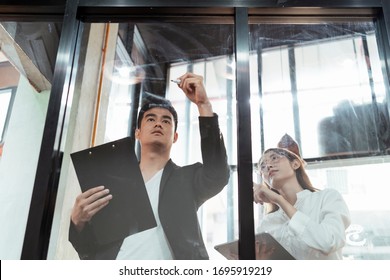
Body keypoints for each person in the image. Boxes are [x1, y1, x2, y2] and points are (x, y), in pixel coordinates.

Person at [69, 73, 230, 260]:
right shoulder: (111, 183)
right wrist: (77, 222)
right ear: (137, 132)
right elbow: (89, 251)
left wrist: (203, 105)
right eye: (151, 119)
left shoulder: (187, 179)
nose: (158, 124)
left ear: (175, 137)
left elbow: (218, 174)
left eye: (166, 121)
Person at [253, 134, 351, 260]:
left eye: (274, 158)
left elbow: (329, 242)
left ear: (295, 164)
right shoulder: (267, 223)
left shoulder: (327, 198)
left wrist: (280, 201)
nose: (268, 166)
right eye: (262, 166)